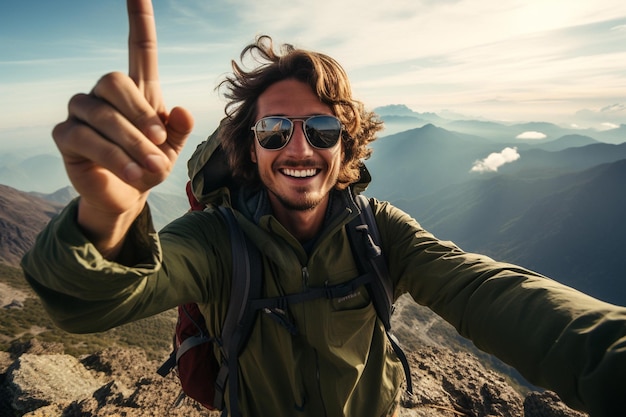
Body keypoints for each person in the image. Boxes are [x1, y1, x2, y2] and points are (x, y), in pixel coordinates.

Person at [21, 1, 626, 416]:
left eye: (321, 129)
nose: (299, 147)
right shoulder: (214, 240)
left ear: (348, 145)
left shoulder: (381, 231)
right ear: (249, 149)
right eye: (275, 129)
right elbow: (93, 300)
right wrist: (107, 214)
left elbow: (489, 291)